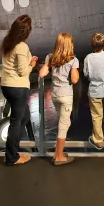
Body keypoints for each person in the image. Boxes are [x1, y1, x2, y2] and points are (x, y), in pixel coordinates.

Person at [0, 15, 38, 166]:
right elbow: (23, 71)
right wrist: (33, 63)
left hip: (7, 85)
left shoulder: (7, 42)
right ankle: (11, 157)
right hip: (18, 87)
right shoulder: (22, 46)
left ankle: (13, 149)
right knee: (16, 122)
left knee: (24, 117)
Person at [39, 32, 79, 165]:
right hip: (66, 95)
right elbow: (74, 80)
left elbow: (42, 73)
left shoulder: (50, 57)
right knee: (63, 125)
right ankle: (59, 156)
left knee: (64, 123)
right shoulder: (73, 60)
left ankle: (58, 150)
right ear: (69, 45)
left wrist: (48, 66)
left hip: (55, 95)